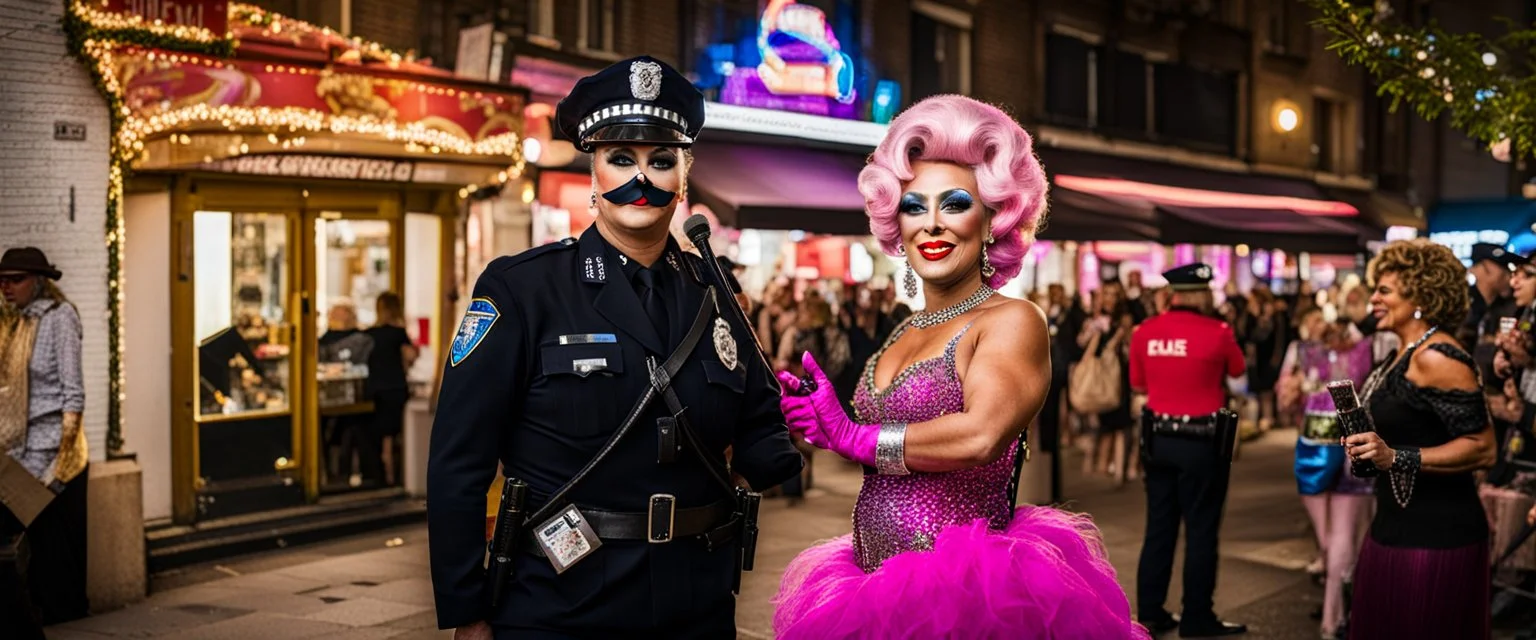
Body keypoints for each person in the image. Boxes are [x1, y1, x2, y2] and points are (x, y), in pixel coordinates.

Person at [426, 56, 803, 639]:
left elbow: (764, 445)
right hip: (560, 601)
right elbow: (458, 463)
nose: (642, 179)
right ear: (593, 175)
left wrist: (811, 421)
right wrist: (467, 609)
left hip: (695, 604)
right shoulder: (523, 290)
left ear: (684, 176)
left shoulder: (716, 293)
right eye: (621, 159)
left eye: (662, 161)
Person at [770, 95, 1148, 638]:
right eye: (914, 206)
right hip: (868, 589)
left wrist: (858, 438)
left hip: (972, 599)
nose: (932, 225)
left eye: (954, 204)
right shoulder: (901, 330)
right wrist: (824, 427)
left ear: (995, 216)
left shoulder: (1013, 320)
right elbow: (878, 449)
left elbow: (981, 435)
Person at [1344, 239, 1498, 639]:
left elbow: (1483, 447)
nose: (1373, 297)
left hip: (1436, 538)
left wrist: (1396, 457)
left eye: (1385, 290)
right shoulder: (1399, 353)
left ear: (1421, 296)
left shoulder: (1438, 356)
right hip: (1391, 529)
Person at [1130, 262, 1249, 637]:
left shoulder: (1145, 332)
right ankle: (1197, 617)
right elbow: (1240, 377)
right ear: (1204, 293)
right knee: (1201, 529)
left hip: (1158, 439)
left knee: (1159, 527)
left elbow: (1138, 384)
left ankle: (1150, 612)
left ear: (1172, 293)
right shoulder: (1219, 331)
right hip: (1203, 444)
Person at [0, 247, 88, 637]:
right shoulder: (13, 322)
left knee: (44, 551)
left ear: (40, 282)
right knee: (21, 548)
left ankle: (34, 623)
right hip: (14, 450)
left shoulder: (60, 318)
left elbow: (73, 392)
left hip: (47, 452)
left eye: (15, 279)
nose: (6, 286)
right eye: (2, 280)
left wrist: (62, 461)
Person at [1277, 309, 1374, 639]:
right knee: (1344, 537)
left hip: (1313, 444)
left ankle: (1335, 613)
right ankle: (1336, 617)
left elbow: (1286, 401)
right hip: (1351, 442)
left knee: (1328, 540)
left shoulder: (1302, 352)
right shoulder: (1371, 348)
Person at [365, 292, 418, 486]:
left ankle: (379, 475)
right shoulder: (398, 333)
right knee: (392, 436)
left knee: (380, 434)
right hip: (394, 387)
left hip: (374, 388)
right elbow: (410, 356)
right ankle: (393, 477)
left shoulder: (369, 334)